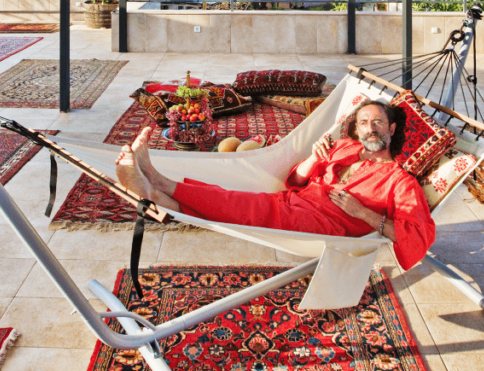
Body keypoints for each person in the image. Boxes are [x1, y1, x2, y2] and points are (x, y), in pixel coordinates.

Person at [116, 100, 436, 270]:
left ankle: (158, 181)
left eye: (377, 122)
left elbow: (418, 238)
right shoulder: (345, 149)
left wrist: (363, 213)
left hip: (316, 225)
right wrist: (312, 160)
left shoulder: (400, 182)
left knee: (239, 205)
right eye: (363, 122)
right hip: (292, 202)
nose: (369, 128)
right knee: (231, 198)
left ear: (392, 128)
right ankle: (154, 189)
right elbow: (294, 180)